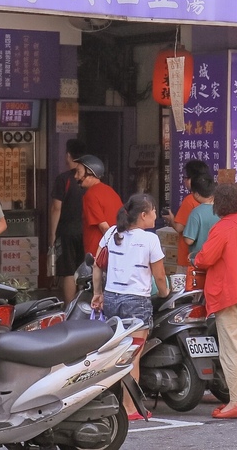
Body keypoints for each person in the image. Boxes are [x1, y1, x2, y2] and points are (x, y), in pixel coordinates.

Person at [91, 194, 169, 421]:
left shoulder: (112, 233)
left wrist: (98, 293)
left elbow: (97, 264)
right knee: (133, 356)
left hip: (113, 300)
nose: (156, 215)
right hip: (136, 303)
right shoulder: (149, 240)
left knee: (116, 353)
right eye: (153, 211)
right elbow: (160, 276)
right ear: (143, 215)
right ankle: (130, 407)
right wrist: (165, 293)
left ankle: (114, 401)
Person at [193, 183, 237, 420]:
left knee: (231, 350)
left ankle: (235, 401)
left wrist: (196, 260)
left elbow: (205, 258)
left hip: (230, 293)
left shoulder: (223, 227)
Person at [50, 139, 87, 302]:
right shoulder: (89, 179)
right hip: (85, 230)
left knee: (68, 271)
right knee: (84, 269)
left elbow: (56, 208)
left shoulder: (63, 179)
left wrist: (52, 234)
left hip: (66, 231)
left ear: (68, 156)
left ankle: (70, 308)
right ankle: (83, 307)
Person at [162, 159, 210, 271]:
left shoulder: (190, 200)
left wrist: (171, 219)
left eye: (186, 178)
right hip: (208, 257)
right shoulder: (214, 200)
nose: (184, 181)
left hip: (188, 258)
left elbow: (179, 228)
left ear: (193, 179)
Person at [75, 154, 124, 258]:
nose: (76, 176)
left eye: (78, 172)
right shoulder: (111, 192)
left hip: (97, 255)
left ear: (91, 173)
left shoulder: (90, 195)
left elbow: (104, 227)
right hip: (115, 253)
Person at [182, 175, 219, 259]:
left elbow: (189, 240)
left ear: (197, 194)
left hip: (200, 259)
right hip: (217, 257)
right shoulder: (222, 210)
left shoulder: (196, 213)